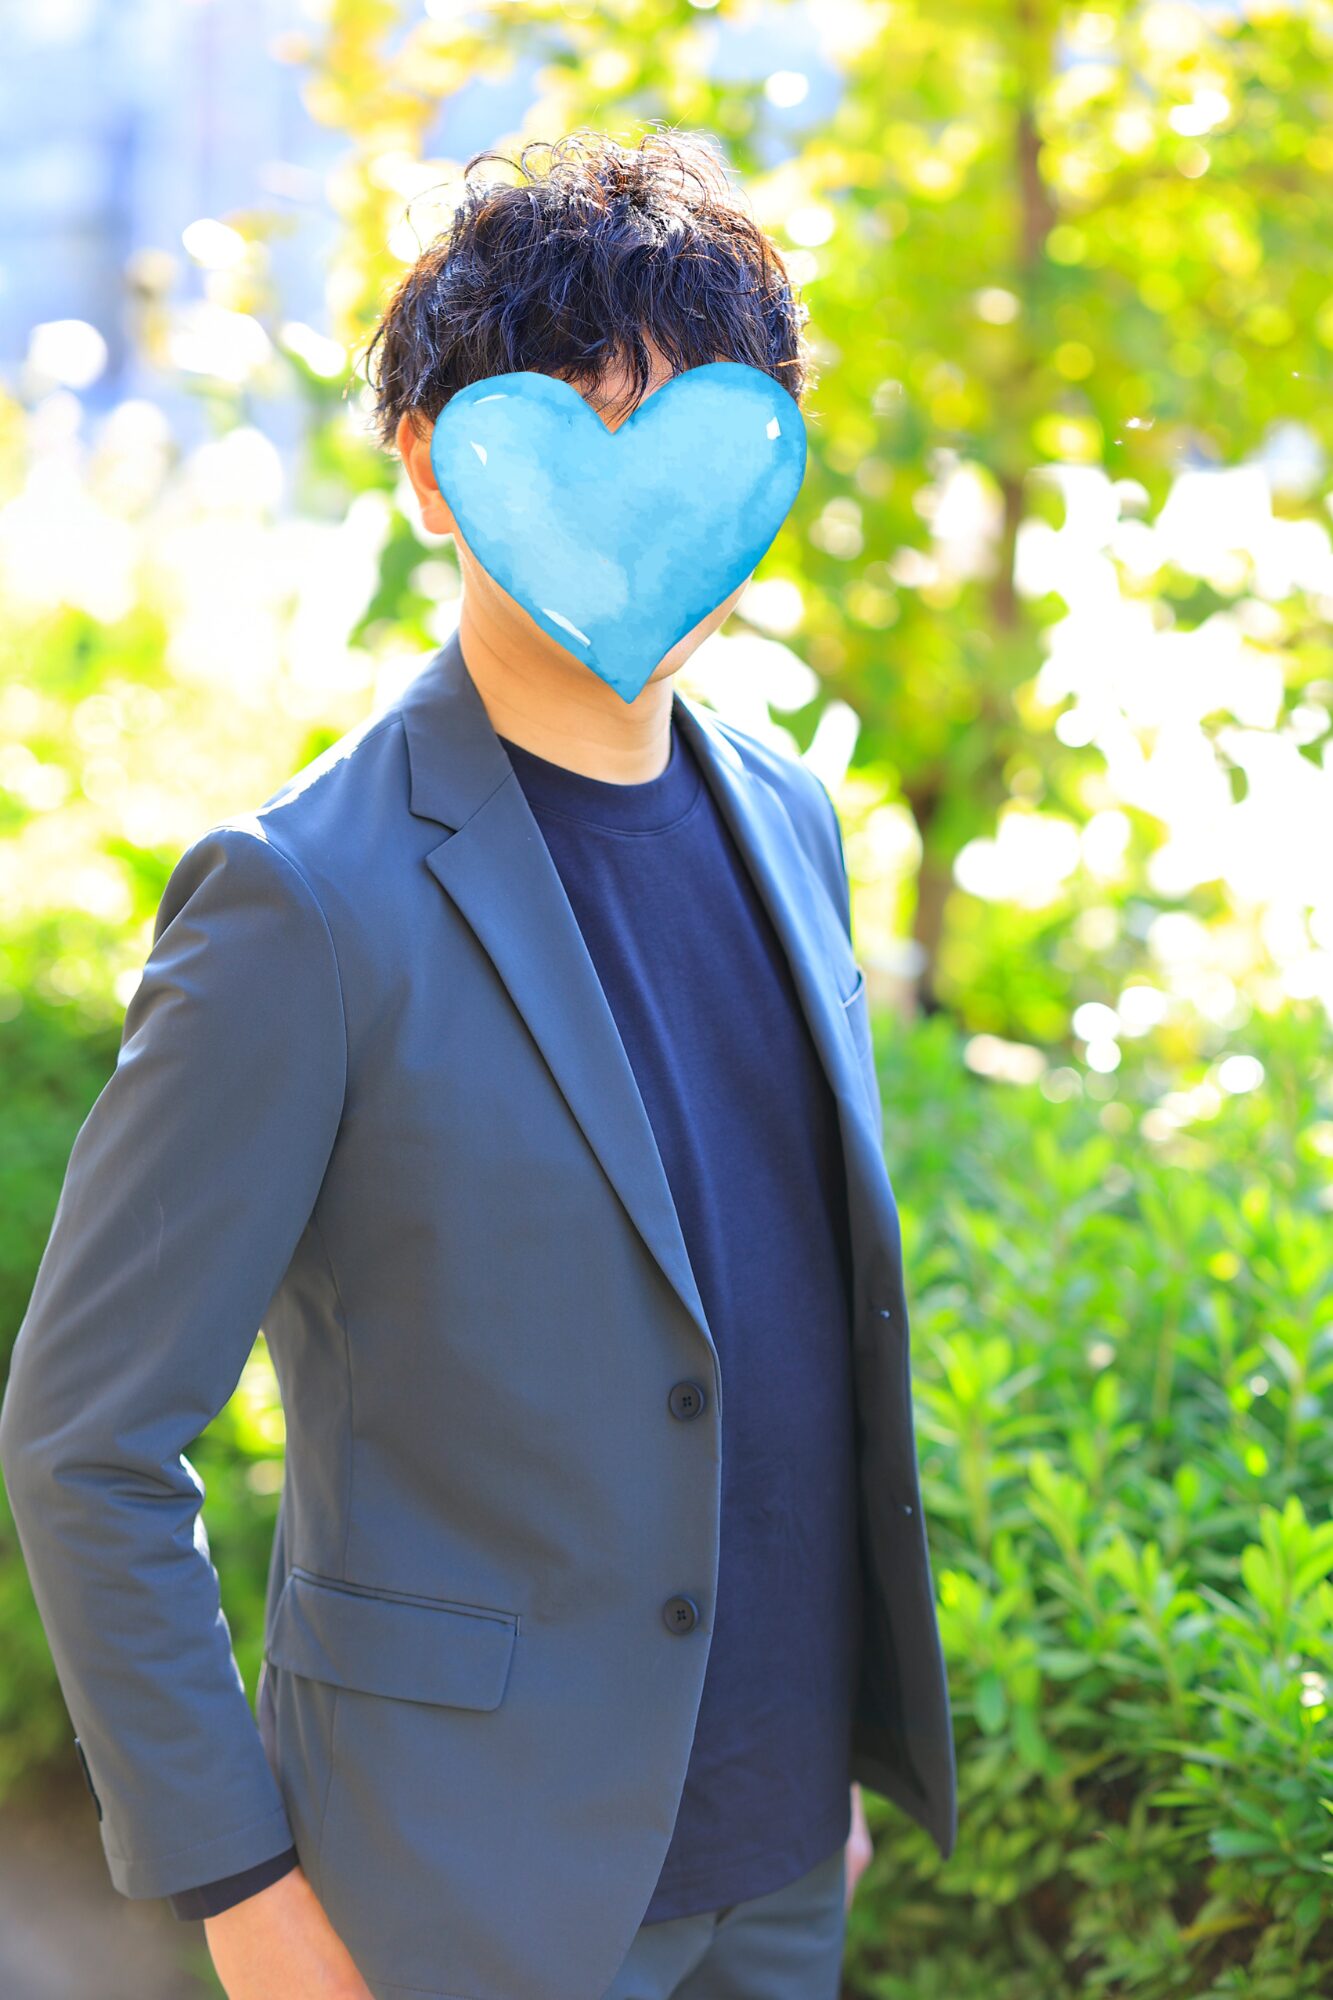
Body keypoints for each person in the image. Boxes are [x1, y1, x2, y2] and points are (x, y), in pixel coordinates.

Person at [0, 128, 956, 2000]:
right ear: (434, 469)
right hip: (456, 1899)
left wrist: (824, 1753)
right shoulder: (300, 903)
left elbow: (767, 1321)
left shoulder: (789, 816)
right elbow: (87, 1441)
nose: (636, 501)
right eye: (575, 427)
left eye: (693, 434)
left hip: (781, 1866)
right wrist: (247, 1900)